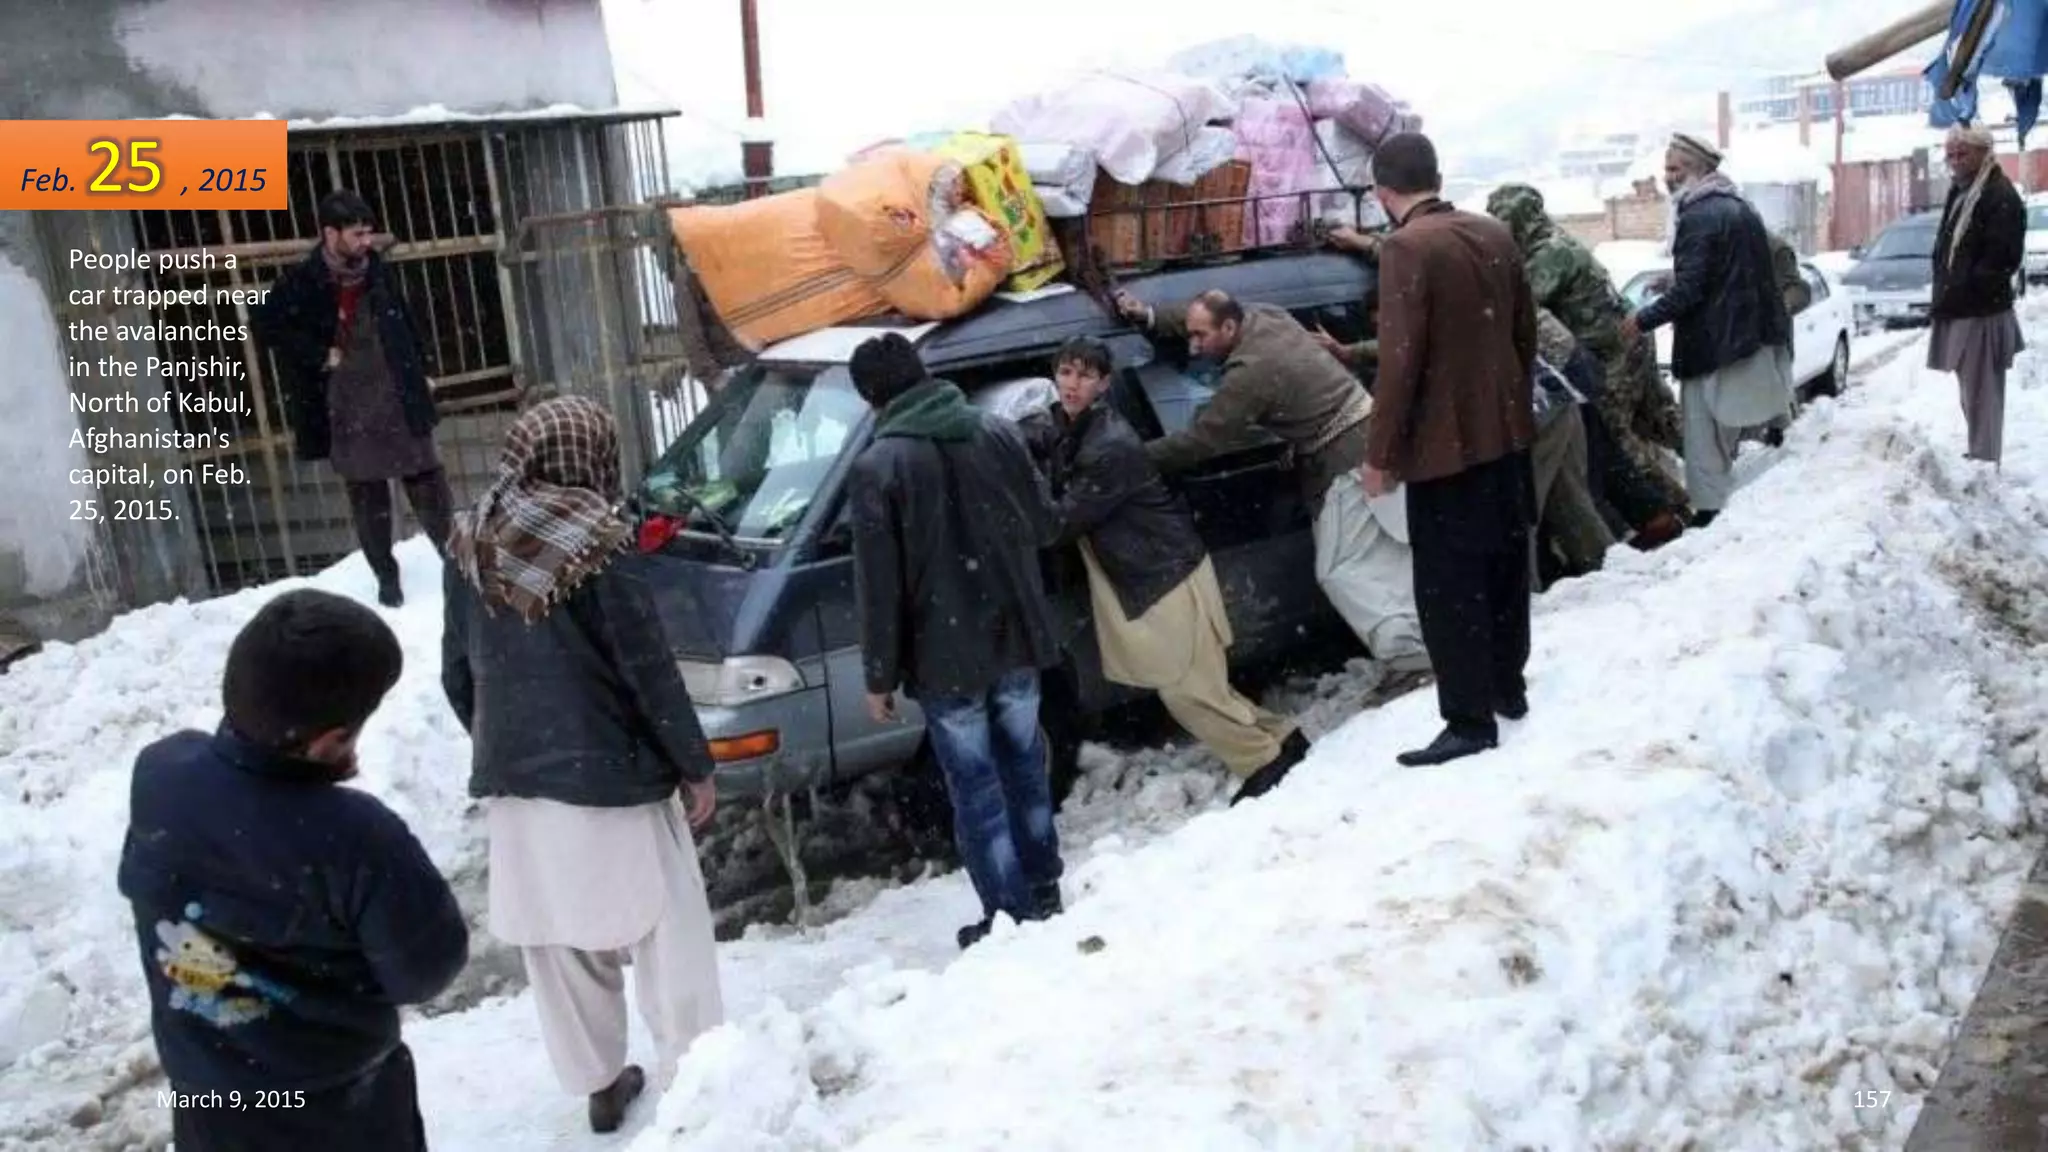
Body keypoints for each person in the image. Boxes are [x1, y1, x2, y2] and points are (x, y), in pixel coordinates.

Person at [442, 396, 722, 1134]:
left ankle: (599, 1083)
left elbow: (456, 673)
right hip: (610, 775)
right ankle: (698, 1073)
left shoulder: (470, 541)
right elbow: (646, 666)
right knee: (668, 928)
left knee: (560, 942)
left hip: (516, 779)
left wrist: (505, 735)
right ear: (589, 457)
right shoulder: (601, 542)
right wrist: (693, 763)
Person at [117, 589, 468, 1152]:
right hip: (336, 1107)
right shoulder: (359, 837)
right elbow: (425, 972)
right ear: (330, 739)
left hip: (208, 1099)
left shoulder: (160, 772)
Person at [844, 332, 1068, 949]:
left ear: (871, 397)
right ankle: (1045, 888)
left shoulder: (878, 467)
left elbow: (879, 585)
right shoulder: (997, 433)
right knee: (1026, 764)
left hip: (946, 657)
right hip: (1017, 636)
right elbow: (1047, 524)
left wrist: (878, 676)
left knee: (976, 786)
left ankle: (1006, 912)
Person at [1017, 338, 1311, 806]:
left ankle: (1262, 760)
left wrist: (1021, 478)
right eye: (1066, 373)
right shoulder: (1074, 425)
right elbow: (1046, 434)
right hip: (1149, 572)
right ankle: (1283, 737)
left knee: (1185, 691)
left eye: (1085, 376)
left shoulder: (1110, 445)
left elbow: (1058, 523)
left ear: (1105, 384)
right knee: (1202, 685)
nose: (1073, 385)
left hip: (1165, 575)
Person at [1113, 288, 1430, 676]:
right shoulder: (1266, 314)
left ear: (1230, 327)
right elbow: (1199, 314)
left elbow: (1203, 440)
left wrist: (1128, 459)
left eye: (1201, 337)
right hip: (1369, 440)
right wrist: (1148, 315)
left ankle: (1409, 660)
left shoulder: (1250, 374)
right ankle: (1433, 637)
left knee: (1343, 569)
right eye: (1190, 335)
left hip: (1346, 460)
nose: (1193, 348)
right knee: (1390, 556)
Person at [1362, 132, 1539, 768]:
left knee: (1448, 586)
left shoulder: (1405, 247)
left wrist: (1379, 454)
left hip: (1445, 450)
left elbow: (1399, 361)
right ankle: (1507, 687)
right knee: (1504, 568)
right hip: (1508, 433)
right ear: (1436, 175)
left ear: (1384, 193)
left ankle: (1467, 719)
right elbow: (1525, 332)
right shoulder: (1493, 232)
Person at [253, 189, 451, 608]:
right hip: (347, 400)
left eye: (368, 234)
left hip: (397, 391)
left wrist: (424, 370)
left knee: (427, 481)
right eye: (357, 234)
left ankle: (456, 565)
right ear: (330, 233)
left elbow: (407, 322)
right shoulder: (303, 281)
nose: (366, 243)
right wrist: (318, 353)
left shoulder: (378, 271)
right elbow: (267, 326)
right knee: (368, 495)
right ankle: (387, 577)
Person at [1485, 183, 1688, 548]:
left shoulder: (1549, 253)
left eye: (1502, 221)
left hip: (1611, 350)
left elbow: (1519, 303)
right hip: (1624, 339)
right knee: (1656, 419)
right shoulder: (1553, 241)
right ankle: (1706, 474)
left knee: (1615, 436)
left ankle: (1670, 511)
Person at [1621, 134, 1794, 528]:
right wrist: (1675, 278)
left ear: (1697, 171)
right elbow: (1725, 270)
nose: (1667, 177)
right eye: (1666, 168)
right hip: (1744, 334)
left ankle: (1710, 514)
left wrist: (1642, 320)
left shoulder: (1697, 215)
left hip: (1715, 339)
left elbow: (1693, 290)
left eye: (1674, 169)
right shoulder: (1736, 206)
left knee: (1702, 435)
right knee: (1726, 428)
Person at [1928, 122, 2026, 466]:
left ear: (1984, 153)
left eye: (1962, 152)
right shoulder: (1963, 189)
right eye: (1950, 152)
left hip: (1981, 312)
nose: (1954, 159)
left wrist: (1968, 287)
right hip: (1961, 308)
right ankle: (1980, 457)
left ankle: (1984, 464)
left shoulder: (1998, 194)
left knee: (1983, 395)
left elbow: (2002, 258)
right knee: (1971, 393)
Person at [1531, 310, 1617, 583]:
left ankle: (1516, 600)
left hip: (1534, 410)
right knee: (1570, 501)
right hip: (1557, 398)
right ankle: (1613, 572)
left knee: (1517, 511)